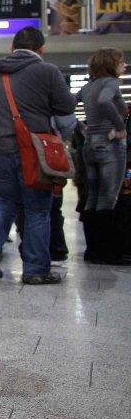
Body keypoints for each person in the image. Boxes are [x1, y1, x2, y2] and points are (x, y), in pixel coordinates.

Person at [0, 28, 76, 284]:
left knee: (6, 201)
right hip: (34, 151)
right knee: (38, 209)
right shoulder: (48, 71)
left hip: (0, 149)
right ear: (42, 49)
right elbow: (66, 110)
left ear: (12, 47)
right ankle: (36, 270)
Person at [78, 48, 127, 264]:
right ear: (112, 64)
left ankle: (93, 251)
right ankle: (107, 253)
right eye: (121, 62)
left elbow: (67, 106)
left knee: (92, 198)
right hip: (109, 144)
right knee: (108, 198)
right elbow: (105, 101)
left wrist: (82, 128)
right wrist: (120, 128)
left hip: (89, 145)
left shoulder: (87, 86)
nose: (124, 66)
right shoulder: (110, 83)